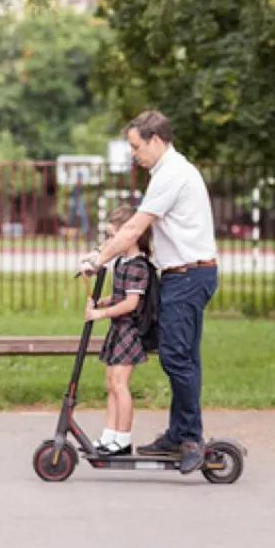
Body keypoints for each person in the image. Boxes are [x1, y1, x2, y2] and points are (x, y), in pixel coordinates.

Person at [78, 110, 218, 475]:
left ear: (156, 140)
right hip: (183, 275)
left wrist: (99, 258)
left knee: (176, 356)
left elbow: (134, 228)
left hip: (188, 276)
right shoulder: (169, 172)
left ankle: (190, 438)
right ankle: (180, 433)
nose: (132, 153)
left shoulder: (171, 174)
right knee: (184, 357)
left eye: (136, 146)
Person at [84, 205, 154, 457]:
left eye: (113, 236)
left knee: (120, 384)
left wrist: (99, 314)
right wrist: (103, 301)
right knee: (111, 383)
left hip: (129, 332)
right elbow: (120, 296)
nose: (109, 242)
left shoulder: (138, 265)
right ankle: (109, 435)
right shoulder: (122, 263)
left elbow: (131, 303)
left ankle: (122, 439)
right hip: (118, 329)